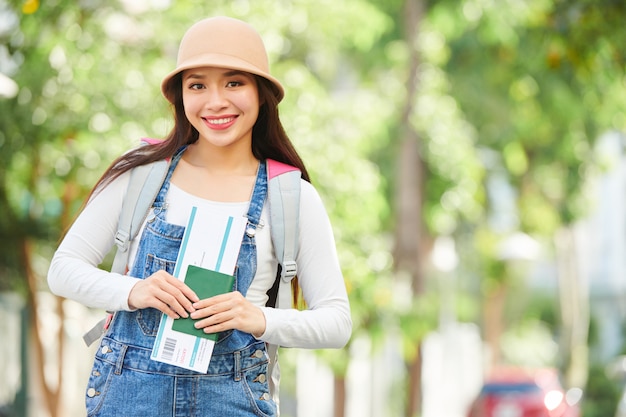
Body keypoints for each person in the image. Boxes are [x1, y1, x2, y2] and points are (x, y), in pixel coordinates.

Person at [47, 16, 352, 417]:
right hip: (128, 399)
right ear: (181, 96)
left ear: (261, 94)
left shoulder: (292, 196)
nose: (215, 101)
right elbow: (62, 270)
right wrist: (133, 291)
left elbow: (336, 323)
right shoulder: (141, 174)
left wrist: (258, 318)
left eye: (233, 82)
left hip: (234, 400)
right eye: (197, 85)